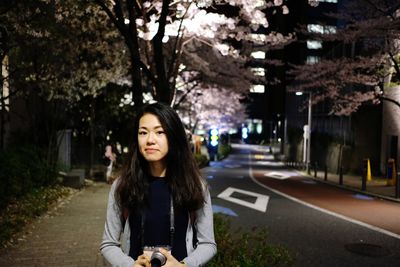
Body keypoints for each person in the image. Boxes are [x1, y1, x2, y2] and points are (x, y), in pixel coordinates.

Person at [100, 103, 217, 267]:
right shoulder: (123, 185)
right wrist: (129, 265)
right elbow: (108, 244)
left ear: (173, 136)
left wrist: (183, 265)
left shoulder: (195, 185)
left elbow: (208, 244)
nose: (150, 140)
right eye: (143, 132)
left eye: (159, 132)